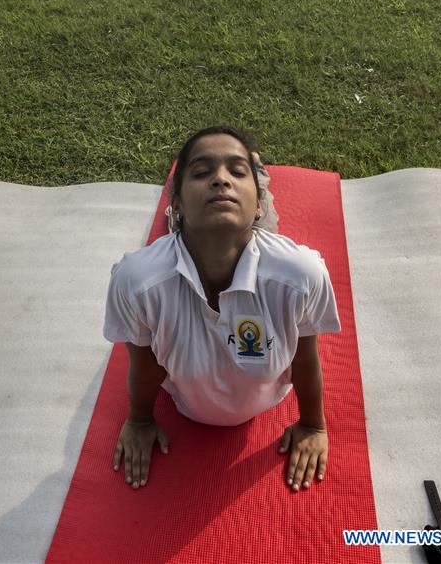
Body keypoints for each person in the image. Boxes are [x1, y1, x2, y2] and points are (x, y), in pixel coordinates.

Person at [104, 127, 340, 491]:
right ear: (177, 204)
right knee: (195, 232)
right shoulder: (136, 281)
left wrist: (313, 424)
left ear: (257, 203)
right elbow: (144, 361)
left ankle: (256, 171)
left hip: (263, 240)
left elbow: (305, 357)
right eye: (201, 172)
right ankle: (234, 175)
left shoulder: (301, 275)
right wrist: (139, 420)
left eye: (236, 171)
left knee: (265, 232)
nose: (220, 179)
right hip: (178, 239)